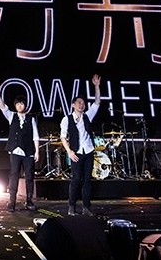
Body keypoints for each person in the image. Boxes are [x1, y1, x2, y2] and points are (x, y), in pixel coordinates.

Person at [0, 81, 39, 212]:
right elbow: (3, 107)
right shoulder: (12, 116)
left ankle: (29, 201)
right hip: (15, 151)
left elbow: (35, 136)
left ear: (25, 105)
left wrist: (37, 151)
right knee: (14, 176)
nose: (19, 106)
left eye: (22, 103)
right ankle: (12, 201)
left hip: (28, 152)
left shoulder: (31, 119)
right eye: (17, 104)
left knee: (29, 177)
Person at [60, 74, 101, 216]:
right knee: (76, 179)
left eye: (83, 103)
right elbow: (63, 137)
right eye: (78, 102)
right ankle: (71, 206)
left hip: (88, 151)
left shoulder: (88, 116)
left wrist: (96, 86)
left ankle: (86, 207)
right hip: (76, 153)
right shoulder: (67, 119)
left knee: (87, 180)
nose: (81, 104)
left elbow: (97, 102)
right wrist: (69, 152)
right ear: (73, 105)